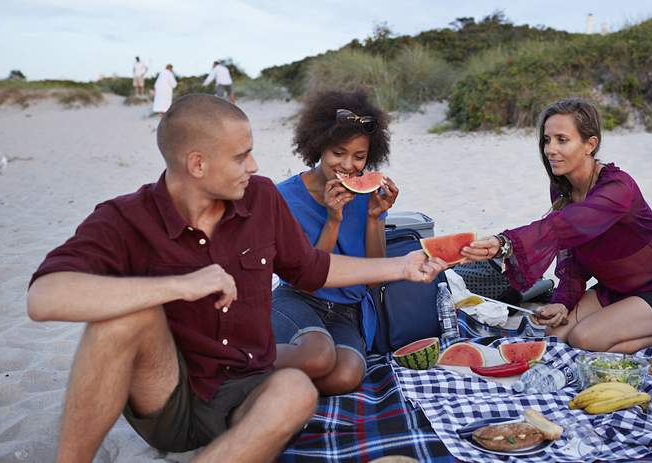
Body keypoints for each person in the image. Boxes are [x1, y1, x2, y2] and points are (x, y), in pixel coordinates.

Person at [26, 94, 445, 462]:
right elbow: (45, 297)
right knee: (122, 319)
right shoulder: (125, 218)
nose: (255, 165)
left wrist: (403, 266)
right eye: (241, 156)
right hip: (168, 394)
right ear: (197, 163)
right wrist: (178, 286)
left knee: (297, 390)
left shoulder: (261, 199)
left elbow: (314, 268)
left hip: (247, 388)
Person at [462, 98, 652, 354]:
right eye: (547, 140)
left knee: (585, 340)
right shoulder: (561, 188)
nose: (550, 149)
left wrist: (504, 243)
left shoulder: (617, 188)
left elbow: (566, 226)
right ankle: (639, 321)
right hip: (618, 288)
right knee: (555, 333)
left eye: (562, 140)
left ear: (590, 144)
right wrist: (563, 302)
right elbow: (572, 251)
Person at [271, 90, 397, 395]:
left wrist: (373, 218)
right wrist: (333, 219)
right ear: (318, 147)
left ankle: (274, 386)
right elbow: (304, 278)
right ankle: (234, 363)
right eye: (337, 153)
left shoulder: (370, 196)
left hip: (347, 310)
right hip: (298, 300)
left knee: (346, 375)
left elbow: (374, 276)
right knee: (316, 354)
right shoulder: (283, 197)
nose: (348, 165)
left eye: (359, 157)